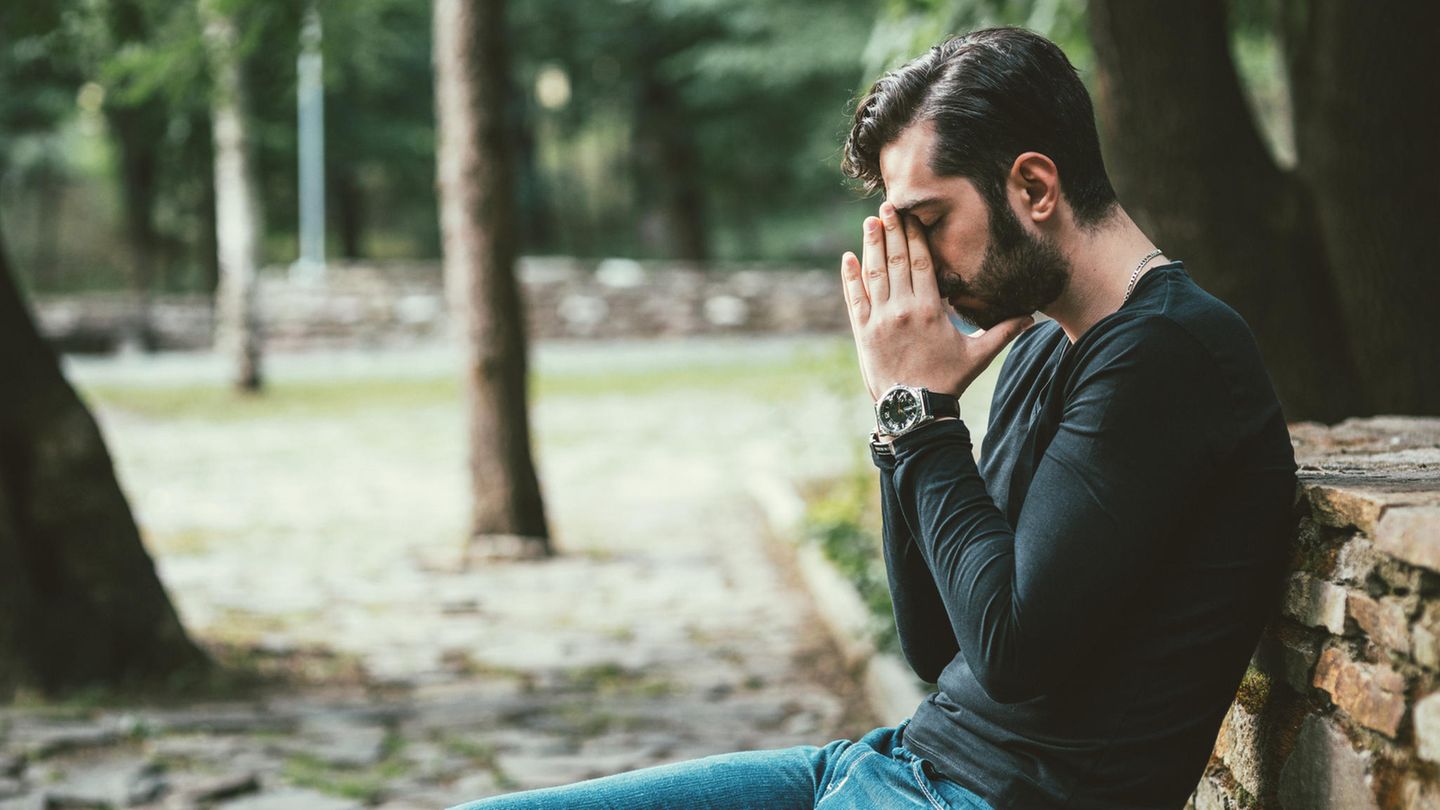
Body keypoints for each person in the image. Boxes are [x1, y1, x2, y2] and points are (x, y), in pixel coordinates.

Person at [449, 26, 1297, 810]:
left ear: (1034, 186)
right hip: (889, 764)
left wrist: (921, 412)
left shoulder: (1169, 351)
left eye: (930, 222)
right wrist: (902, 422)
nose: (918, 264)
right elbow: (934, 642)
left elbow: (1009, 651)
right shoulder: (1047, 347)